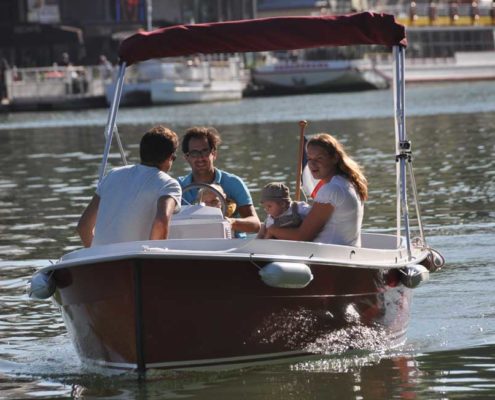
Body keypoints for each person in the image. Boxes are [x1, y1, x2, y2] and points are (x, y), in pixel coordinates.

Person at [77, 125, 181, 247]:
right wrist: (154, 260)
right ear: (169, 157)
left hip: (100, 260)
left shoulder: (112, 175)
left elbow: (83, 227)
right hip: (135, 261)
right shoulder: (169, 184)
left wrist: (96, 253)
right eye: (174, 158)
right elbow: (161, 222)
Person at [266, 133, 368, 246]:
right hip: (346, 253)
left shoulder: (331, 189)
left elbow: (302, 236)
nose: (312, 164)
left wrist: (271, 229)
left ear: (334, 158)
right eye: (309, 158)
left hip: (328, 256)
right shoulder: (350, 182)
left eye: (319, 158)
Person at [178, 126, 260, 237]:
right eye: (194, 153)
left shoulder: (233, 183)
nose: (200, 158)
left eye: (205, 152)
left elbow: (255, 224)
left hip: (231, 248)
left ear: (214, 154)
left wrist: (231, 222)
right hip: (193, 246)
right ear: (186, 157)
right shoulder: (178, 187)